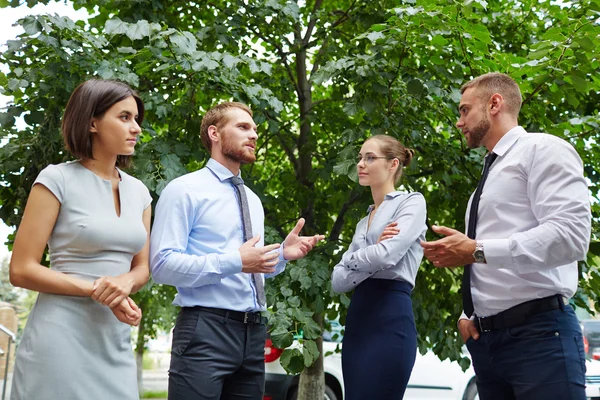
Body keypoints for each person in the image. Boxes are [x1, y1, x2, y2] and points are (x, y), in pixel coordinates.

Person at [421, 72, 591, 400]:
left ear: (494, 104)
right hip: (488, 345)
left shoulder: (543, 149)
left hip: (539, 338)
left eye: (464, 110)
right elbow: (491, 253)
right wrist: (468, 315)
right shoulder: (489, 175)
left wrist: (475, 250)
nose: (459, 122)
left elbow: (570, 236)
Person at [150, 101, 324, 400]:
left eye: (255, 129)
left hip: (254, 334)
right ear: (214, 133)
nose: (253, 135)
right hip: (205, 331)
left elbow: (246, 270)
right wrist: (235, 260)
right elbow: (162, 265)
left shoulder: (252, 200)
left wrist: (282, 255)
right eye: (243, 127)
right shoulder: (184, 190)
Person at [9, 79, 152, 400]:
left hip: (113, 339)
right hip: (60, 338)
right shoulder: (55, 179)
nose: (137, 128)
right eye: (125, 117)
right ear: (92, 123)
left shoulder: (140, 193)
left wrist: (126, 284)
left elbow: (142, 268)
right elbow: (21, 269)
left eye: (137, 119)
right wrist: (100, 291)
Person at [331, 135, 427, 400]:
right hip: (359, 319)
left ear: (393, 164)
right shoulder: (364, 222)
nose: (361, 164)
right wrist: (368, 254)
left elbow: (387, 256)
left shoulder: (411, 202)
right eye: (361, 157)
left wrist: (353, 259)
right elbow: (337, 281)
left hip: (391, 316)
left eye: (370, 157)